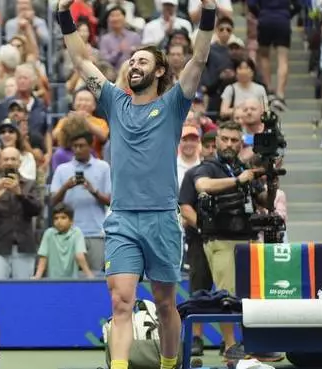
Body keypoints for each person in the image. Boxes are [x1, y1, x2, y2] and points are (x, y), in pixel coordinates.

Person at [55, 0, 215, 368]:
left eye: (143, 61)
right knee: (120, 300)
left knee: (164, 303)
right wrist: (64, 13)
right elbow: (81, 60)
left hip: (162, 219)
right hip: (123, 218)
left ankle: (170, 363)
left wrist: (207, 12)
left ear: (160, 70)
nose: (134, 65)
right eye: (132, 61)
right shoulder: (114, 101)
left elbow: (200, 56)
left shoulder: (175, 103)